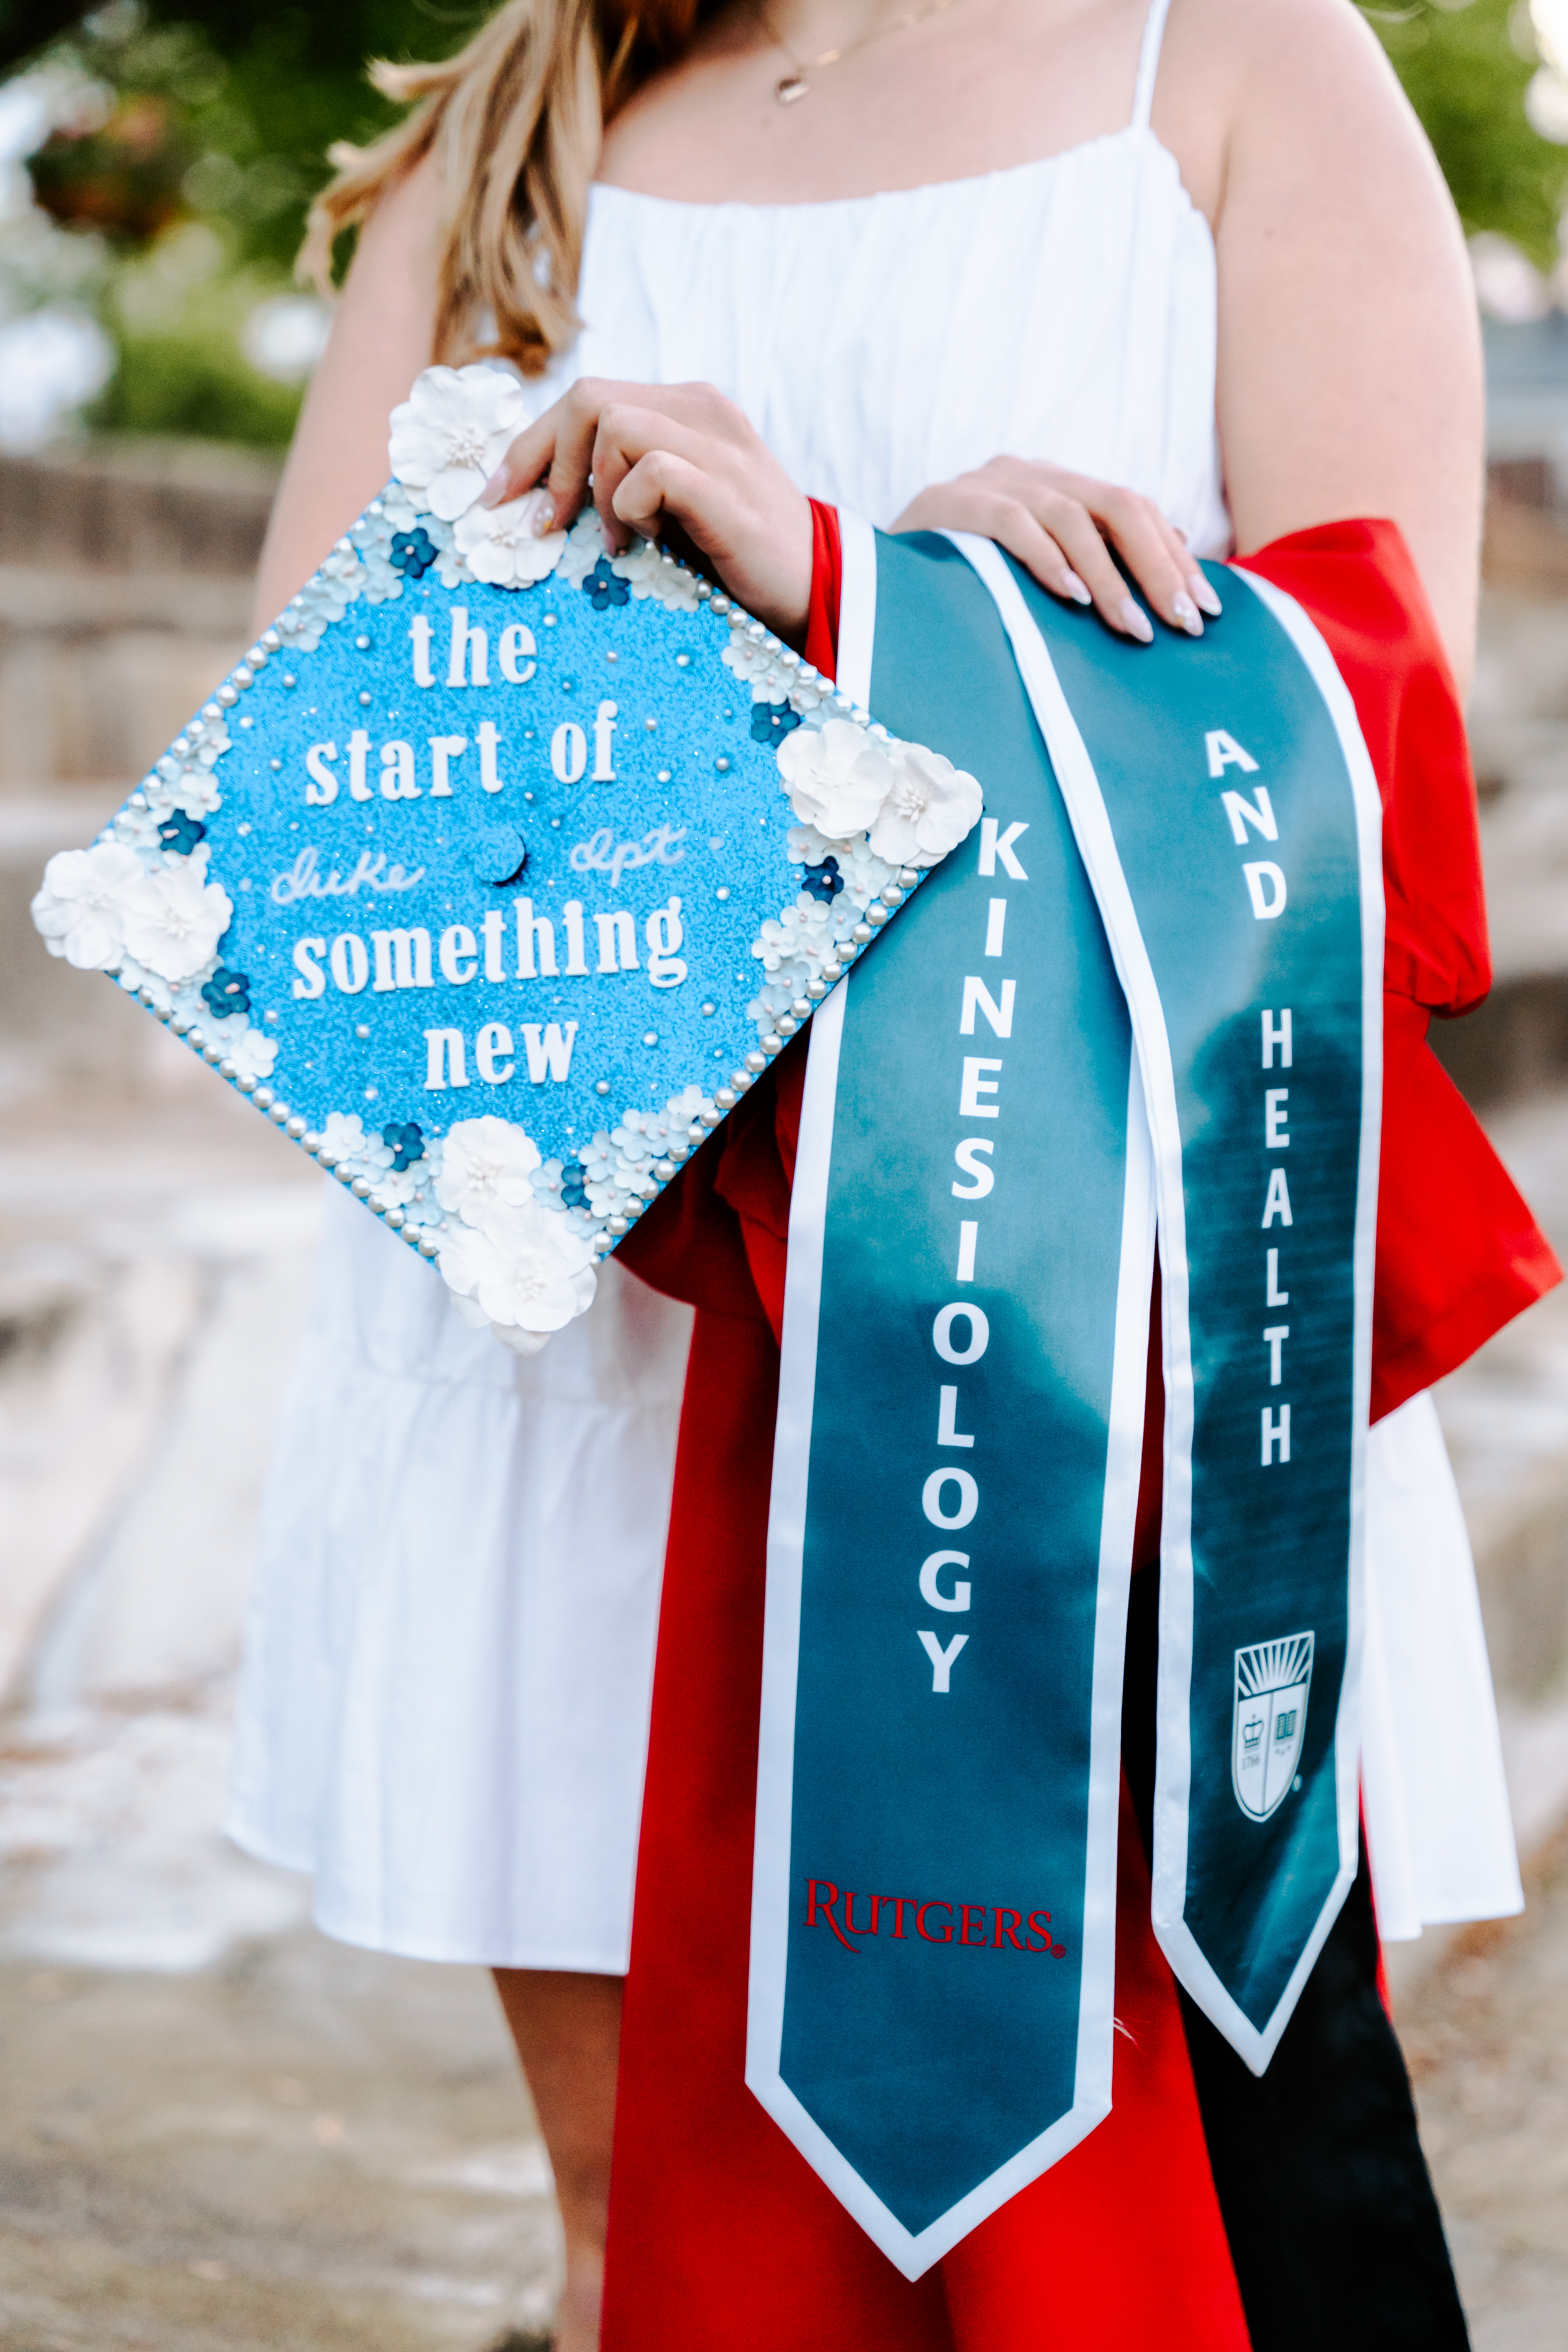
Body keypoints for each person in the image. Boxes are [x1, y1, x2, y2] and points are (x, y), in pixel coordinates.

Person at [226, 0, 1557, 2344]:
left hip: (1074, 1351)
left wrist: (877, 597)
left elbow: (1374, 755)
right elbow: (317, 823)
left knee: (1177, 2234)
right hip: (598, 1347)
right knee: (639, 2242)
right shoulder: (517, 128)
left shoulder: (1242, 64)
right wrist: (757, 631)